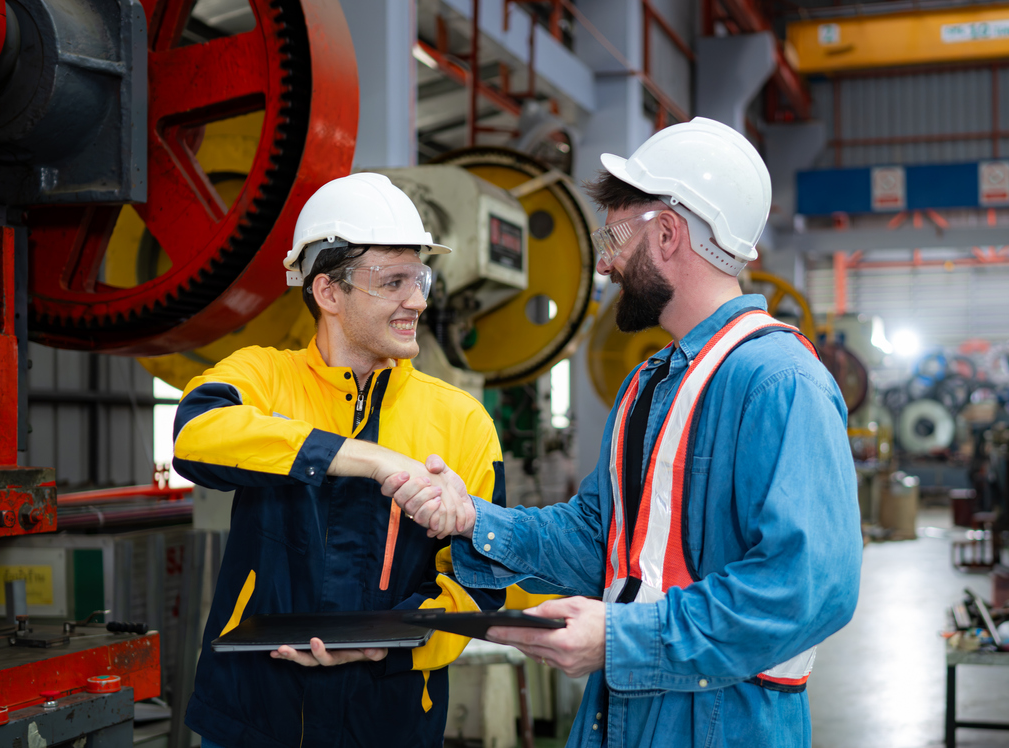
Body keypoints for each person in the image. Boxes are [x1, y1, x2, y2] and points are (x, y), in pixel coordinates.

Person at [388, 118, 863, 747]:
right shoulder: (652, 382)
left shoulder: (778, 382)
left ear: (667, 234)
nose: (606, 262)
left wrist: (620, 639)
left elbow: (809, 588)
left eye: (613, 236)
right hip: (623, 713)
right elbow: (601, 539)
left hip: (724, 724)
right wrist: (474, 520)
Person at [173, 173, 501, 748]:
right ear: (328, 292)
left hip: (387, 714)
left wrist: (395, 638)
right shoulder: (263, 377)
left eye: (420, 277)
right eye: (393, 281)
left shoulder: (461, 420)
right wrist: (364, 458)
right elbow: (195, 433)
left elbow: (480, 581)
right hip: (254, 712)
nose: (418, 300)